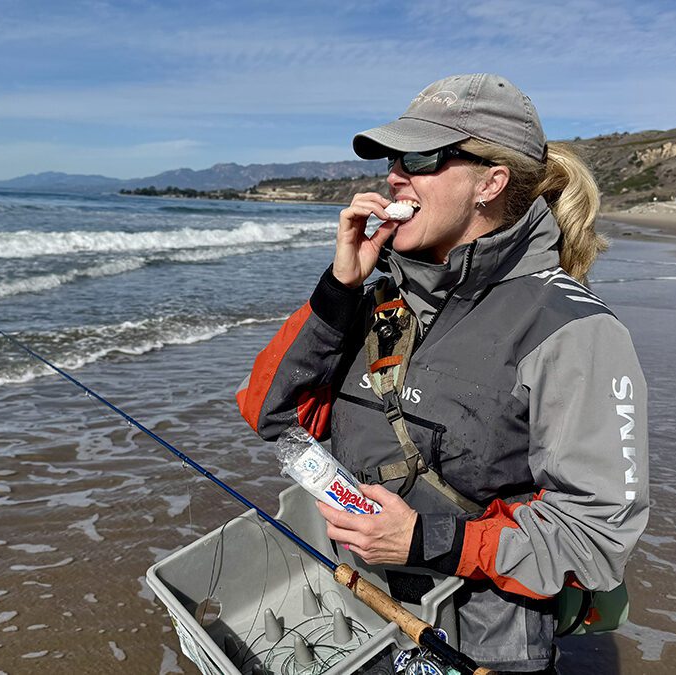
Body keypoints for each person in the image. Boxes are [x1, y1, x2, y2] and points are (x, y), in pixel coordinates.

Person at [237, 74, 649, 673]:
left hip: (479, 643)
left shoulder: (573, 329)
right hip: (357, 610)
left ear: (490, 181)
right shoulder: (379, 298)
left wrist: (431, 540)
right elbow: (272, 416)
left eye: (420, 158)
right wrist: (338, 289)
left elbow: (595, 537)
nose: (394, 176)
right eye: (393, 159)